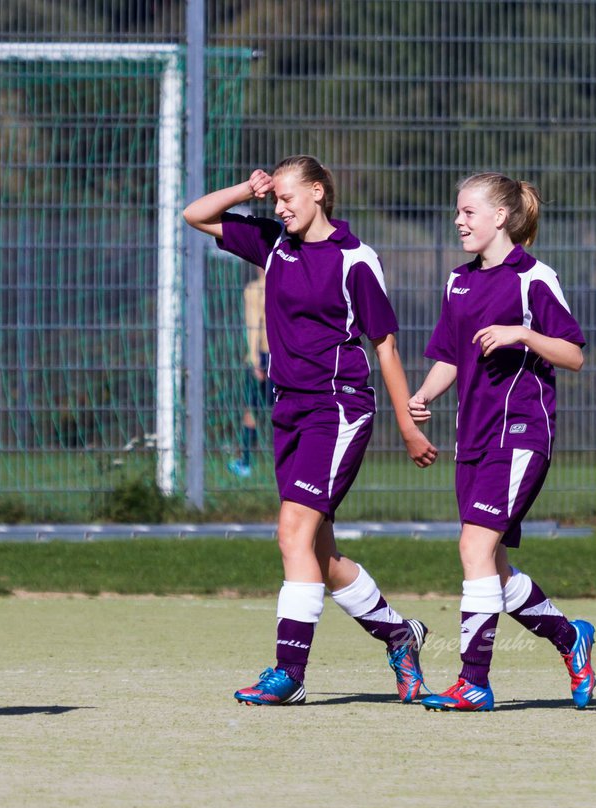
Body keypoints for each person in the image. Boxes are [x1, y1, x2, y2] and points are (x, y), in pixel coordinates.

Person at [184, 155, 438, 706]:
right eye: (274, 200)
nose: (279, 207)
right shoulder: (274, 243)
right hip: (288, 409)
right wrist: (245, 190)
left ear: (319, 192)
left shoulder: (355, 260)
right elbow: (194, 214)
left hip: (338, 408)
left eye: (288, 197)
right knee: (317, 554)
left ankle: (290, 672)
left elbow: (385, 345)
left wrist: (407, 422)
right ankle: (399, 635)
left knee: (292, 533)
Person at [409, 172, 596, 712]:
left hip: (520, 434)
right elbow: (449, 355)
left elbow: (574, 354)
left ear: (501, 218)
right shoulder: (458, 281)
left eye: (469, 212)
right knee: (491, 565)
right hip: (475, 436)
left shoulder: (534, 278)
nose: (459, 221)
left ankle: (473, 680)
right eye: (458, 212)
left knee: (473, 548)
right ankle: (570, 638)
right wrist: (424, 395)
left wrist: (524, 334)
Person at [228, 267, 270, 478]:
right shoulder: (288, 283)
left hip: (264, 356)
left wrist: (254, 360)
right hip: (287, 357)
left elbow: (253, 326)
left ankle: (245, 461)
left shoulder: (255, 289)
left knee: (251, 410)